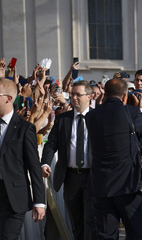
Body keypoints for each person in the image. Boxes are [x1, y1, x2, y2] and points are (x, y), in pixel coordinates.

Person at [85, 78, 142, 239]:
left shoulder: (91, 116)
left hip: (101, 186)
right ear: (125, 96)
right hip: (128, 187)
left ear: (104, 93)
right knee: (135, 234)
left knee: (105, 236)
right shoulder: (132, 113)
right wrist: (141, 110)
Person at [41, 80, 96, 240]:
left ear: (89, 97)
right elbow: (51, 144)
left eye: (78, 94)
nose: (74, 98)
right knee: (76, 223)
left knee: (91, 222)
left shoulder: (97, 118)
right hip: (70, 178)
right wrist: (45, 162)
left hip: (92, 177)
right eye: (72, 94)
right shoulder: (62, 119)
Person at [0, 77, 45, 239]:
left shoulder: (25, 129)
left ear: (9, 99)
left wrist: (39, 201)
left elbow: (34, 166)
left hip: (14, 200)